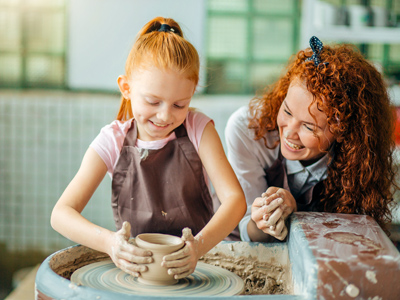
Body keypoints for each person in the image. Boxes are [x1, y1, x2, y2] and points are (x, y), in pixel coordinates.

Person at [51, 17, 246, 280]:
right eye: (153, 101)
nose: (165, 116)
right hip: (138, 271)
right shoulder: (113, 140)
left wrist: (198, 247)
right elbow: (61, 214)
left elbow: (235, 200)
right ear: (126, 88)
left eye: (180, 105)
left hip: (198, 267)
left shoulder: (199, 129)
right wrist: (110, 243)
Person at [225, 36, 398, 243]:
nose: (289, 132)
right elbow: (246, 228)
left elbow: (343, 241)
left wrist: (296, 213)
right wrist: (264, 220)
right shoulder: (247, 129)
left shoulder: (359, 159)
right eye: (287, 111)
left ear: (342, 130)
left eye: (308, 126)